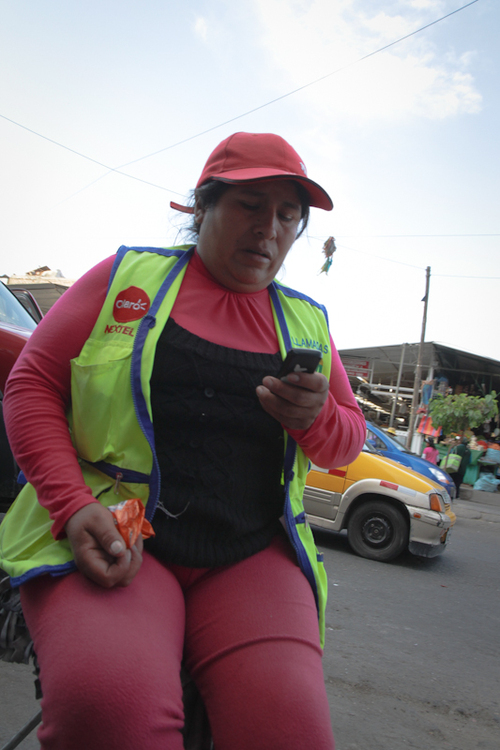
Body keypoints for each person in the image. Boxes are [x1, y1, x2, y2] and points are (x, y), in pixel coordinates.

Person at [0, 131, 365, 750]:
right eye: (250, 205)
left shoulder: (307, 320)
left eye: (287, 214)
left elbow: (345, 443)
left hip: (253, 550)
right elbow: (31, 383)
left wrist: (316, 419)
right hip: (127, 526)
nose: (269, 228)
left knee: (289, 731)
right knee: (108, 711)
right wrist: (72, 504)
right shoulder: (125, 279)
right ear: (202, 208)